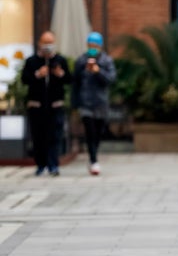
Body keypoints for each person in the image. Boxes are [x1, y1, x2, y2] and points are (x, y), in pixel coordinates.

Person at [21, 31, 72, 176]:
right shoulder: (32, 61)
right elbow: (24, 79)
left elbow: (69, 79)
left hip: (55, 105)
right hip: (36, 106)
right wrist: (37, 74)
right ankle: (40, 164)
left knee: (55, 136)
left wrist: (59, 73)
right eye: (45, 43)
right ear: (39, 43)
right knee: (38, 136)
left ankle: (53, 165)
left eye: (50, 43)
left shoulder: (60, 60)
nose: (47, 46)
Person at [71, 31, 117, 176]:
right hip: (85, 103)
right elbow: (75, 83)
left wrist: (98, 71)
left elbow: (111, 79)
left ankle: (93, 155)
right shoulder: (81, 60)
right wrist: (74, 103)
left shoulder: (106, 61)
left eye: (95, 45)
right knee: (89, 131)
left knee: (98, 132)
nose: (93, 47)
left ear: (100, 46)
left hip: (101, 103)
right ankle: (93, 160)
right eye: (90, 44)